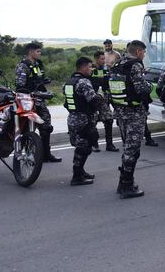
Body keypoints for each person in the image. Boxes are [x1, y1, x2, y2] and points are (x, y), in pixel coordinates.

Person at [109, 40, 153, 199]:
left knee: (128, 148)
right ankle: (126, 186)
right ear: (139, 52)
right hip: (134, 113)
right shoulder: (136, 65)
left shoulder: (117, 65)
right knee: (132, 150)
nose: (144, 55)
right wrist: (150, 86)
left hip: (120, 112)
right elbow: (141, 88)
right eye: (144, 52)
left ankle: (124, 183)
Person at [16, 42, 60, 163]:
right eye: (37, 51)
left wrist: (44, 82)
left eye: (40, 51)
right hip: (27, 101)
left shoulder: (38, 64)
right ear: (30, 52)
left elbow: (39, 79)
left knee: (46, 125)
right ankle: (27, 155)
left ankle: (46, 154)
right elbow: (20, 86)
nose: (40, 53)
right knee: (27, 129)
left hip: (39, 99)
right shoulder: (23, 66)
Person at [64, 57, 104, 186]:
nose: (91, 69)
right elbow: (93, 99)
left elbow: (67, 102)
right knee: (83, 148)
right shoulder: (84, 82)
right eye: (90, 67)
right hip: (83, 119)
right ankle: (77, 177)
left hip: (73, 118)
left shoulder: (69, 82)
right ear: (83, 67)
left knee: (82, 146)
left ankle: (81, 171)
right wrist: (101, 97)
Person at [91, 51, 119, 152]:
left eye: (104, 59)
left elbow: (110, 81)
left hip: (104, 98)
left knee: (109, 120)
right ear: (96, 59)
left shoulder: (107, 69)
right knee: (92, 122)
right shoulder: (91, 69)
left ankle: (109, 144)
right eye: (102, 59)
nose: (104, 61)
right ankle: (94, 144)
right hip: (93, 99)